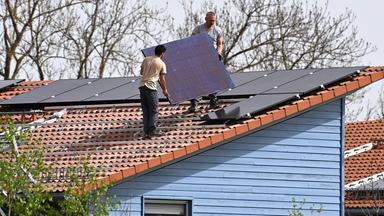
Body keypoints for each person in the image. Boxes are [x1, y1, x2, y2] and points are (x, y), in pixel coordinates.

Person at [188, 11, 224, 113]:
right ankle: (194, 103)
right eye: (211, 21)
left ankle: (213, 101)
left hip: (211, 57)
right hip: (198, 57)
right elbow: (191, 42)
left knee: (212, 79)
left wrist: (218, 54)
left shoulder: (217, 30)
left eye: (214, 20)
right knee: (196, 80)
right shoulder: (198, 29)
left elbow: (220, 44)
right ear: (206, 19)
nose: (212, 22)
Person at [139, 45, 168, 139]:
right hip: (151, 87)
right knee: (154, 109)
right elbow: (162, 78)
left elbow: (141, 72)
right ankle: (152, 130)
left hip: (142, 87)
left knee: (146, 110)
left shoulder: (146, 59)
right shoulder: (161, 63)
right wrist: (164, 90)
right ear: (163, 53)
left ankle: (146, 132)